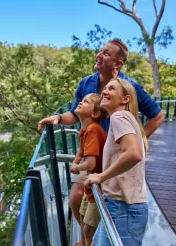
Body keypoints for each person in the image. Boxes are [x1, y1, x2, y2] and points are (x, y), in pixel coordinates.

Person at [37, 38, 164, 232]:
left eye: (105, 53)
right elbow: (74, 113)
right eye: (100, 50)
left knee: (106, 199)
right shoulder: (86, 83)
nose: (99, 55)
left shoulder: (130, 88)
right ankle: (91, 237)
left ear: (117, 64)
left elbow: (157, 116)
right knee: (76, 197)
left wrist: (139, 140)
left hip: (113, 156)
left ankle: (99, 236)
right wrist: (57, 118)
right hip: (91, 151)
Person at [84, 78, 149, 245]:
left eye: (111, 89)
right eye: (105, 88)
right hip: (121, 207)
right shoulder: (125, 118)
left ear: (125, 99)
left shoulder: (119, 116)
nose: (104, 91)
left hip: (124, 209)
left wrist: (101, 177)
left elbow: (134, 154)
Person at [69, 93, 107, 246]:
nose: (80, 102)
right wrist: (76, 160)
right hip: (92, 183)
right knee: (84, 219)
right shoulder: (84, 130)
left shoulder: (92, 130)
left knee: (89, 230)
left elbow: (90, 164)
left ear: (95, 113)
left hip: (101, 185)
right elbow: (82, 149)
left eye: (85, 102)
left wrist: (76, 167)